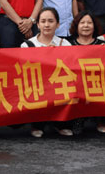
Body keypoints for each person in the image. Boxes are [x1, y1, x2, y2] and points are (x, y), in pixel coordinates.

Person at [21, 7, 71, 138]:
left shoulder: (65, 44)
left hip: (58, 83)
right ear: (38, 24)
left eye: (51, 21)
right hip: (38, 84)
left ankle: (60, 123)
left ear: (58, 24)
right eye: (43, 21)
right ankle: (37, 125)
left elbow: (71, 67)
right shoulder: (27, 45)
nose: (47, 25)